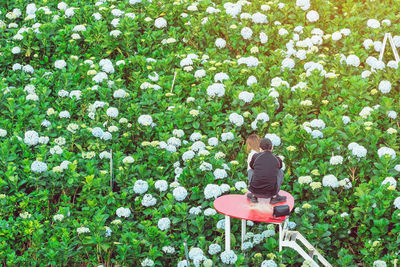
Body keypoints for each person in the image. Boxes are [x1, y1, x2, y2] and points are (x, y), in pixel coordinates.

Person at [247, 138, 286, 204]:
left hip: (256, 192)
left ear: (260, 148)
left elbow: (251, 167)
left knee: (251, 170)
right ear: (272, 148)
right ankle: (274, 197)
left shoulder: (255, 156)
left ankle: (253, 196)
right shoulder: (277, 159)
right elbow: (280, 167)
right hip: (270, 193)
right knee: (280, 172)